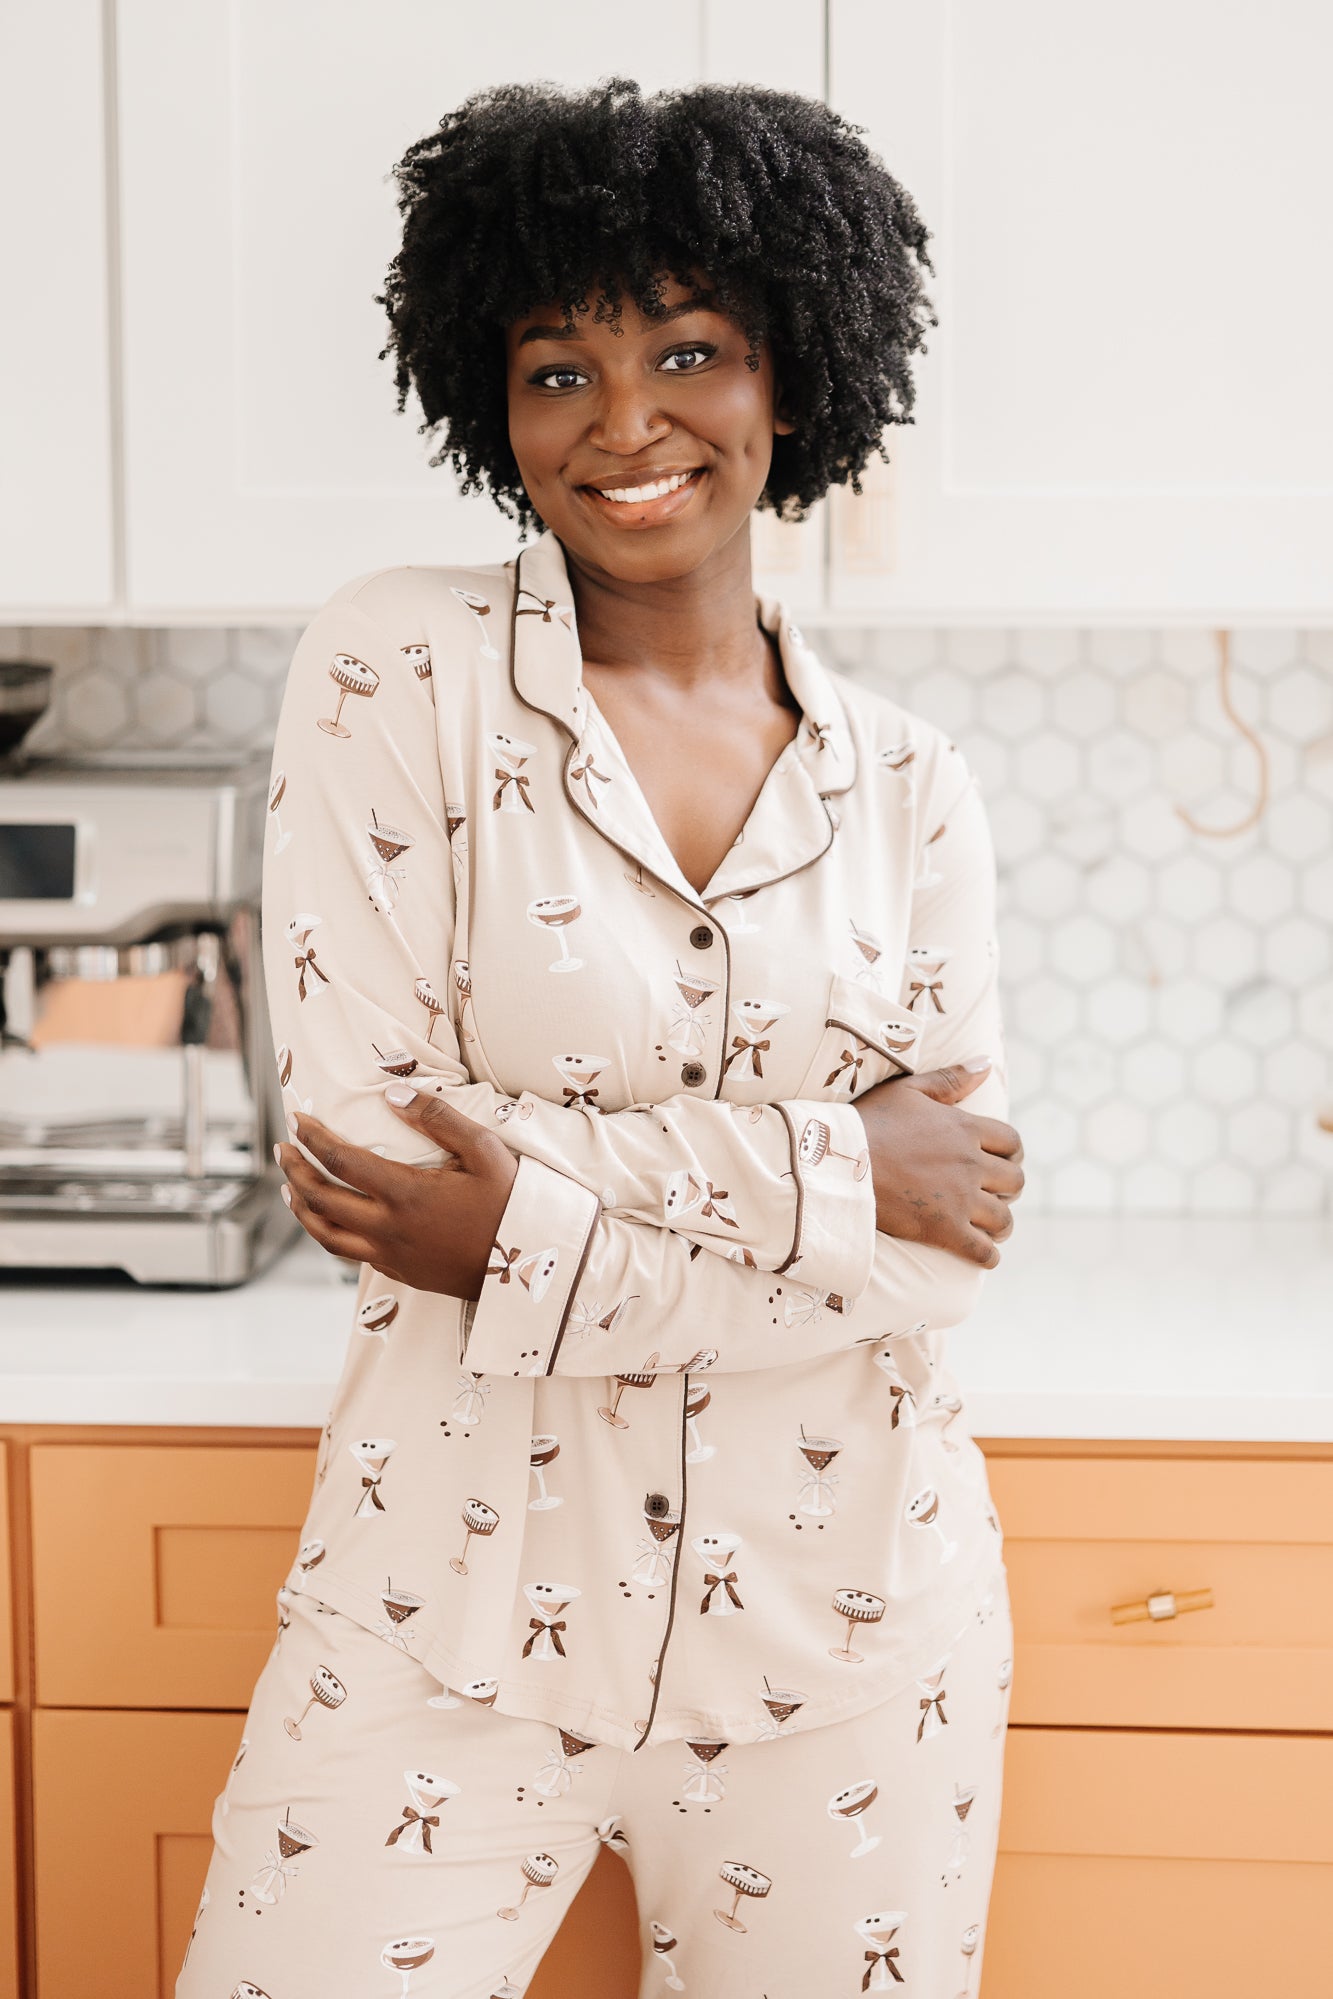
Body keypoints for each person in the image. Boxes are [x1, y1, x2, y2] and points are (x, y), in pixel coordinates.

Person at [178, 74, 1025, 1999]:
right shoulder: (393, 669)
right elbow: (383, 1165)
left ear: (794, 382)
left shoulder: (913, 788)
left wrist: (523, 1237)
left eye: (690, 350)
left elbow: (938, 1254)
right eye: (558, 368)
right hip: (441, 1617)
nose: (625, 423)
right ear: (494, 407)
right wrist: (832, 1163)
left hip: (855, 1642)